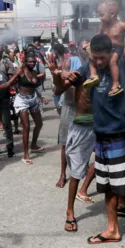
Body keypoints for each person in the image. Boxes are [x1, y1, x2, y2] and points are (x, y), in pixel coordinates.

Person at [68, 33, 125, 248]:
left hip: (118, 135)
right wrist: (69, 76)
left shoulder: (120, 64)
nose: (98, 62)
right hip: (100, 135)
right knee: (106, 187)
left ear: (110, 53)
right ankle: (112, 228)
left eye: (102, 58)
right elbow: (72, 82)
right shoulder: (90, 67)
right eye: (95, 58)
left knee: (121, 188)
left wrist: (124, 33)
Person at [52, 52, 96, 232]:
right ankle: (70, 211)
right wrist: (56, 76)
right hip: (81, 127)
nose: (99, 60)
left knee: (105, 163)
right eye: (95, 56)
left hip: (103, 126)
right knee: (76, 173)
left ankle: (85, 190)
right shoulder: (81, 73)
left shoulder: (112, 73)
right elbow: (59, 90)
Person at [0, 52, 44, 164]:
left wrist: (41, 97)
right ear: (25, 62)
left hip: (33, 99)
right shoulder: (20, 71)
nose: (32, 63)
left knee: (39, 124)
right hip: (22, 100)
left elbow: (34, 87)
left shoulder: (35, 72)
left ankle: (33, 145)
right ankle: (26, 154)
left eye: (34, 61)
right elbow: (9, 83)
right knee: (26, 126)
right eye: (30, 61)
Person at [84, 0, 125, 97]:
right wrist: (90, 44)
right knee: (91, 56)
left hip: (117, 49)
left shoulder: (121, 25)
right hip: (104, 49)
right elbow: (98, 37)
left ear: (112, 14)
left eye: (101, 15)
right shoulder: (102, 26)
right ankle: (93, 75)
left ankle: (116, 84)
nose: (100, 18)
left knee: (113, 62)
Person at [53, 43, 78, 188]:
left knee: (83, 143)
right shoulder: (68, 61)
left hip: (85, 109)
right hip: (69, 106)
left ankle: (80, 171)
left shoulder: (92, 65)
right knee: (65, 143)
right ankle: (63, 173)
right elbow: (58, 88)